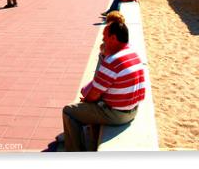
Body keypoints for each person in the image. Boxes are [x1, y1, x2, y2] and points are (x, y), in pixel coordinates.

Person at [61, 21, 146, 152]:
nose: (103, 40)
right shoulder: (133, 54)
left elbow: (93, 95)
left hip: (117, 115)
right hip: (133, 110)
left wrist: (85, 102)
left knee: (69, 111)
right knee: (89, 107)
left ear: (113, 38)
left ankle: (74, 151)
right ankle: (77, 136)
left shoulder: (112, 61)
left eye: (105, 36)